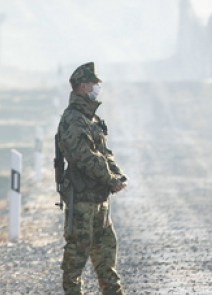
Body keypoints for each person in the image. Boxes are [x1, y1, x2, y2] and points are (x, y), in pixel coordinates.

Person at [57, 62, 128, 295]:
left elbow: (105, 153)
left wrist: (116, 174)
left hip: (99, 197)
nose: (98, 87)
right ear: (83, 86)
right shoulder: (74, 119)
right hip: (82, 199)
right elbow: (85, 157)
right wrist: (109, 179)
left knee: (106, 253)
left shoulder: (91, 119)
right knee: (77, 254)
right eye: (95, 84)